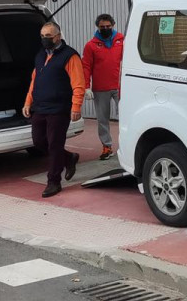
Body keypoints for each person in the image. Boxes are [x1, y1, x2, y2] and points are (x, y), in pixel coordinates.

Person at [23, 22, 85, 198]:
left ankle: (53, 181)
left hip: (59, 108)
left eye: (48, 36)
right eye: (42, 36)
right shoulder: (41, 55)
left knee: (55, 144)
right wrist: (28, 102)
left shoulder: (70, 56)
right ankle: (69, 158)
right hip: (40, 107)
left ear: (58, 36)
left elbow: (79, 84)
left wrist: (76, 106)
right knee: (39, 141)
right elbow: (34, 80)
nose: (45, 39)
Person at [81, 14, 124, 160]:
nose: (105, 29)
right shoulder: (91, 45)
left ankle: (126, 145)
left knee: (125, 117)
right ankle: (107, 146)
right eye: (102, 27)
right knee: (103, 120)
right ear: (97, 27)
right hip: (100, 89)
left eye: (108, 26)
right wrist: (86, 87)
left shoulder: (122, 41)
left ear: (113, 25)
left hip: (120, 87)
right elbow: (86, 67)